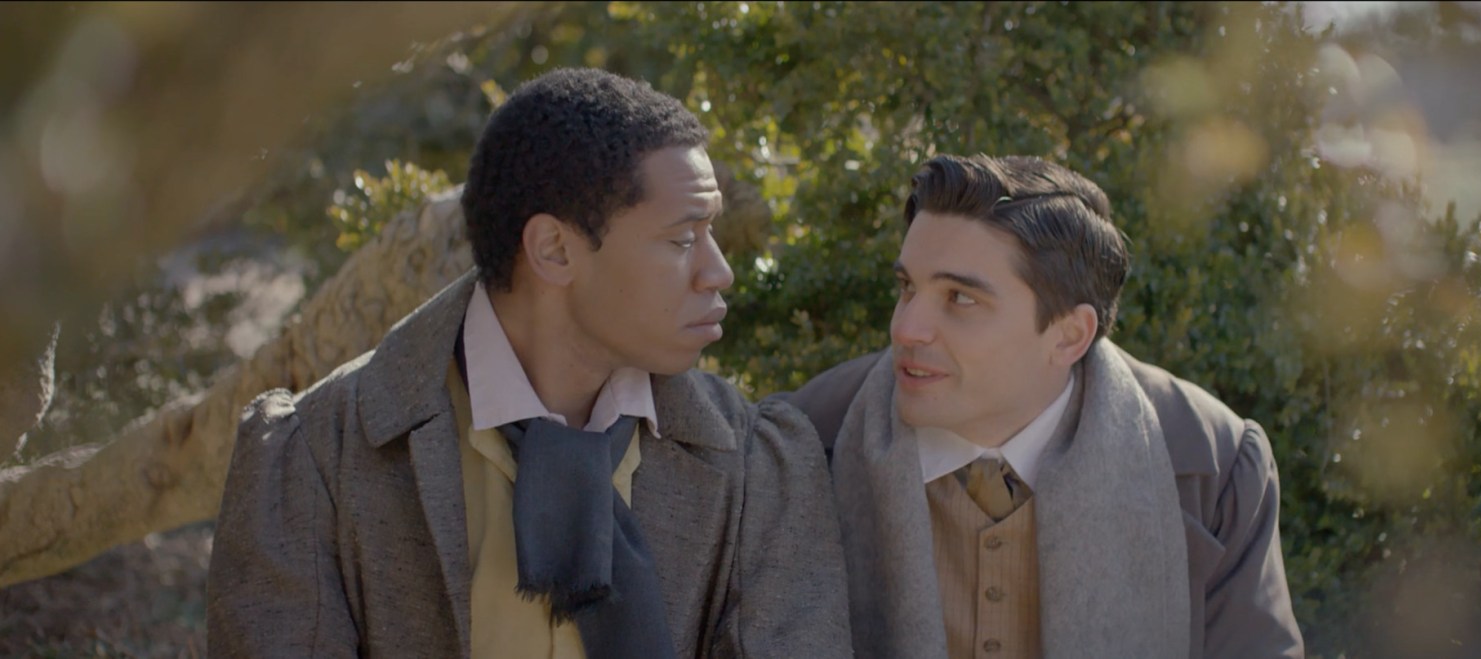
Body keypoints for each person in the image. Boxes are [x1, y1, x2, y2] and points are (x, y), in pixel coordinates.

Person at [208, 67, 852, 658]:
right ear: (554, 250)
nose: (719, 271)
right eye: (683, 239)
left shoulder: (757, 467)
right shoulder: (318, 456)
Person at [785, 154, 1304, 658]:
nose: (906, 329)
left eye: (960, 298)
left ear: (1069, 336)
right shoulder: (800, 446)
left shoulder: (1214, 465)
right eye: (907, 287)